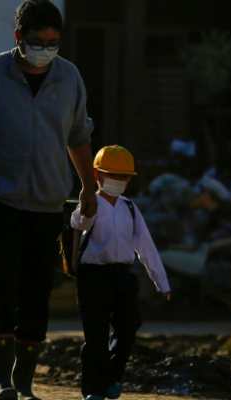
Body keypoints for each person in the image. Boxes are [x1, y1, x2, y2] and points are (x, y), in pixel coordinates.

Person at [0, 1, 97, 399]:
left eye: (53, 42)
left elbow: (79, 138)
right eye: (37, 41)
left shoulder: (70, 78)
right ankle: (0, 381)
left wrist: (89, 190)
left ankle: (24, 382)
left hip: (47, 199)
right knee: (2, 280)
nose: (45, 49)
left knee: (37, 288)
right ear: (18, 39)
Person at [70, 145, 172, 400]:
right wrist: (86, 207)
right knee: (96, 336)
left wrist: (162, 282)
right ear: (97, 176)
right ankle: (93, 390)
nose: (119, 181)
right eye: (113, 176)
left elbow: (146, 246)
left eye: (124, 177)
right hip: (93, 277)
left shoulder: (129, 208)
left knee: (128, 329)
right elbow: (77, 223)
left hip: (122, 276)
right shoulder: (90, 202)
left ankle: (111, 377)